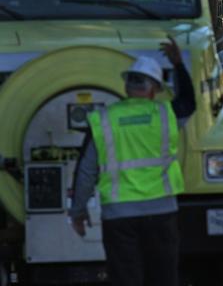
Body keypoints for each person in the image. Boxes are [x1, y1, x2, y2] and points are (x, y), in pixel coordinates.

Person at [68, 37, 195, 286]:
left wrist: (78, 211)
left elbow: (85, 172)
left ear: (126, 87)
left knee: (126, 278)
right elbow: (189, 102)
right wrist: (178, 64)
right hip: (161, 213)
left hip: (119, 216)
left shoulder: (103, 120)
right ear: (154, 89)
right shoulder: (166, 115)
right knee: (164, 277)